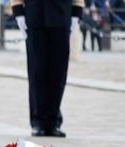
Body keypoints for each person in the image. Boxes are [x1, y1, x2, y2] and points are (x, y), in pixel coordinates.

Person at [14, 0, 84, 138]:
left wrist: (76, 13)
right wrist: (18, 12)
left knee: (58, 73)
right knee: (36, 72)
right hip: (35, 15)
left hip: (61, 15)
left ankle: (53, 121)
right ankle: (37, 121)